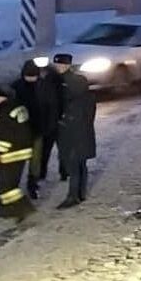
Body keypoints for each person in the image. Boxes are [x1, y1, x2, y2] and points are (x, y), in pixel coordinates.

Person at [52, 54, 96, 209]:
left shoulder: (64, 85)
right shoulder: (82, 86)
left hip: (70, 131)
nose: (58, 67)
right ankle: (80, 194)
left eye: (60, 65)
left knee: (73, 163)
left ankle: (73, 196)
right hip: (81, 130)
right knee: (80, 162)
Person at [11, 60, 59, 198]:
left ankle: (32, 184)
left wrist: (49, 126)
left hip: (38, 130)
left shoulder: (44, 87)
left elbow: (52, 107)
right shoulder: (16, 88)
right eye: (28, 78)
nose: (31, 81)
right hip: (21, 132)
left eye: (33, 78)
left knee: (35, 161)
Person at [0, 85, 36, 219]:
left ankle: (24, 208)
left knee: (6, 186)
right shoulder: (17, 108)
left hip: (10, 154)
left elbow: (5, 135)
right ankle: (4, 208)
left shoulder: (5, 112)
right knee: (9, 183)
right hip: (19, 152)